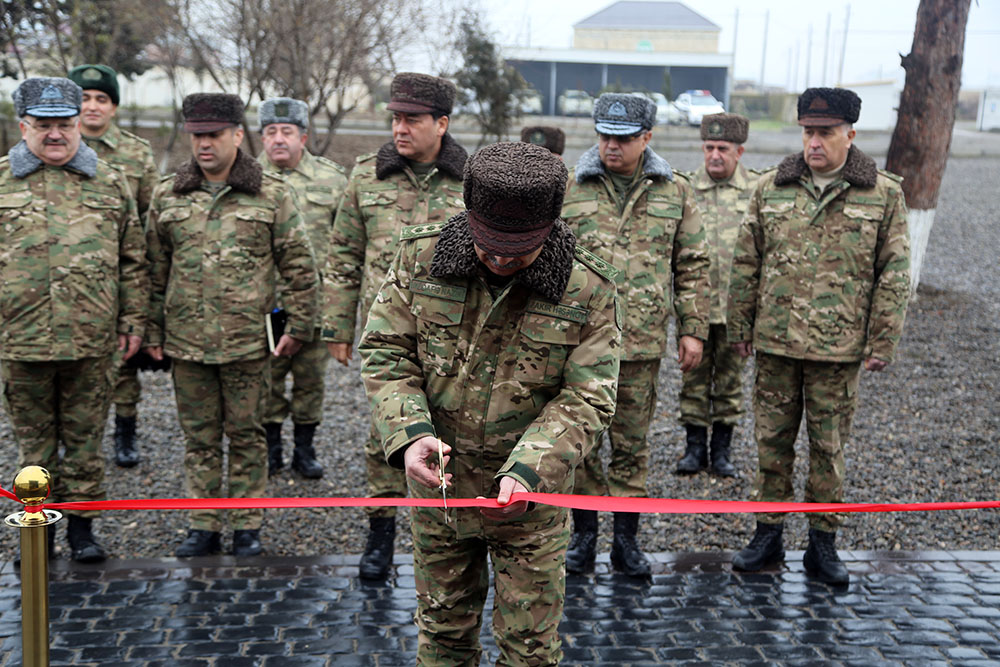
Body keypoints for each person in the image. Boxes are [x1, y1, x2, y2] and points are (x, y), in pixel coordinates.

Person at [358, 141, 621, 665]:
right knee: (443, 639)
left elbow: (589, 394)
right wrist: (409, 434)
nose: (500, 259)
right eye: (489, 244)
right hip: (442, 495)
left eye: (518, 249)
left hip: (531, 505)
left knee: (529, 649)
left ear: (550, 225)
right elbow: (386, 351)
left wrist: (530, 469)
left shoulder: (586, 286)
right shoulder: (421, 256)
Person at [728, 87, 911, 585]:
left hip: (838, 348)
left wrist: (882, 340)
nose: (814, 142)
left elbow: (893, 272)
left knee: (828, 449)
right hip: (776, 343)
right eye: (808, 131)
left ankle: (822, 545)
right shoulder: (772, 187)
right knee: (771, 444)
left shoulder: (883, 193)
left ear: (850, 134)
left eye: (825, 133)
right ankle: (767, 536)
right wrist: (739, 326)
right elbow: (747, 260)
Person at [144, 93, 318, 557]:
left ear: (237, 136)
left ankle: (247, 522)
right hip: (188, 344)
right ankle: (203, 523)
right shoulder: (168, 195)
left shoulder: (271, 194)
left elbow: (299, 266)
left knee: (246, 435)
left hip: (247, 344)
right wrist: (153, 334)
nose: (204, 144)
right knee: (199, 438)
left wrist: (297, 327)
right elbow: (154, 271)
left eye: (214, 134)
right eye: (197, 135)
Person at [323, 72, 467, 580]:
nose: (399, 128)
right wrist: (337, 326)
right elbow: (343, 255)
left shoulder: (470, 182)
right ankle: (379, 535)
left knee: (454, 437)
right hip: (387, 336)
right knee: (383, 435)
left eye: (412, 119)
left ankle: (450, 534)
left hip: (454, 338)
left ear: (442, 124)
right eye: (395, 118)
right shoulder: (367, 176)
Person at [561, 92, 711, 577]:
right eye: (604, 136)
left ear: (647, 138)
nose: (611, 146)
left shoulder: (674, 191)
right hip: (580, 343)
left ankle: (626, 542)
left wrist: (693, 329)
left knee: (631, 445)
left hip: (640, 344)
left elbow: (691, 264)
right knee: (580, 444)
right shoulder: (571, 188)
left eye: (623, 139)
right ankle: (582, 539)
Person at [0, 77, 148, 562]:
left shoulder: (109, 182)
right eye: (44, 126)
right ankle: (36, 533)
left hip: (91, 340)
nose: (56, 135)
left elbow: (133, 259)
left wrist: (133, 323)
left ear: (79, 124)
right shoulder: (2, 181)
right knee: (34, 447)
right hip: (21, 342)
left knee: (86, 442)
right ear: (24, 127)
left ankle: (83, 531)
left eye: (65, 124)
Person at [67, 63, 160, 468]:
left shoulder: (136, 153)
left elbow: (150, 217)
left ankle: (125, 429)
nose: (92, 107)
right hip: (65, 277)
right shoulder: (57, 148)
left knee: (122, 360)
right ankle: (69, 435)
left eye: (101, 99)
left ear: (114, 107)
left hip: (117, 271)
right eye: (84, 98)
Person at [257, 97, 348, 479]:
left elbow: (345, 244)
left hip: (316, 302)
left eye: (287, 132)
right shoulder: (249, 178)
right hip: (269, 303)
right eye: (271, 132)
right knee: (269, 379)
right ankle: (271, 448)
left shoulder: (332, 180)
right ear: (262, 138)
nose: (279, 139)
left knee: (311, 380)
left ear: (303, 136)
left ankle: (305, 450)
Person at [675, 113, 759, 478]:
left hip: (735, 308)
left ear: (739, 151)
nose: (714, 155)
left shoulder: (756, 190)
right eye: (709, 147)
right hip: (695, 308)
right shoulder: (685, 188)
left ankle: (722, 451)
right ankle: (694, 449)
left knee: (729, 383)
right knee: (692, 381)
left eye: (723, 148)